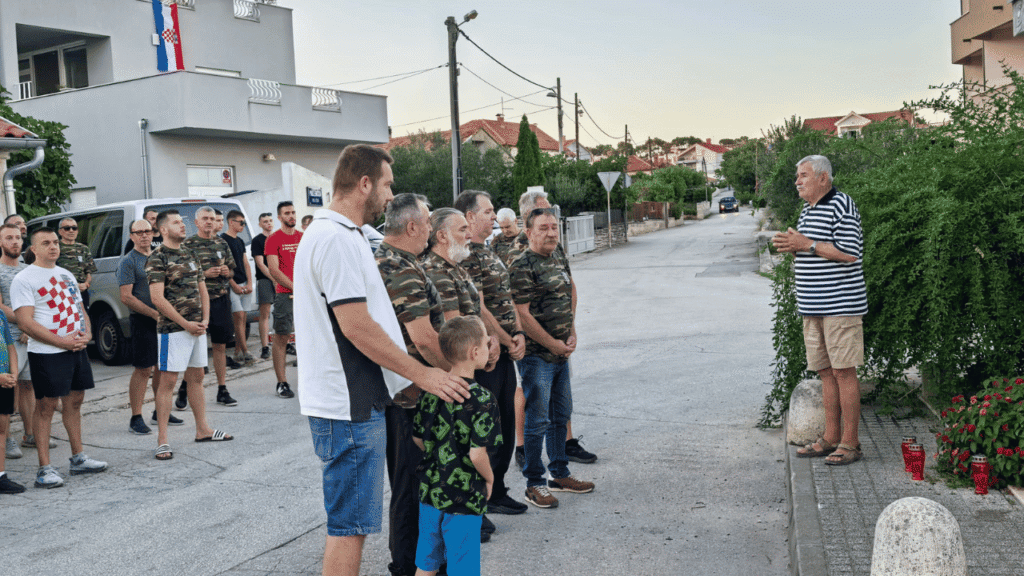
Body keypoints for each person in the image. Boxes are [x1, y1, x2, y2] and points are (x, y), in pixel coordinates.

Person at [293, 144, 469, 576]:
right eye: (388, 185)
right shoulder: (333, 238)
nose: (392, 196)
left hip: (359, 401)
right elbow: (355, 326)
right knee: (349, 528)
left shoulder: (350, 234)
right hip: (347, 406)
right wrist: (422, 374)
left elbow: (392, 245)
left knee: (353, 525)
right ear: (365, 183)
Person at [376, 194, 454, 575]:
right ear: (412, 227)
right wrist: (452, 378)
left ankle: (415, 561)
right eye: (427, 222)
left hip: (403, 390)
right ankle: (409, 566)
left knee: (411, 485)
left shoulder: (387, 259)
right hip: (411, 396)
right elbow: (423, 336)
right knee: (413, 487)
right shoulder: (400, 266)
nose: (430, 229)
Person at [774, 155, 868, 466]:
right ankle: (830, 438)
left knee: (843, 372)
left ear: (823, 179)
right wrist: (794, 247)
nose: (797, 181)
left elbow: (850, 254)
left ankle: (850, 444)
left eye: (803, 176)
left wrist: (807, 244)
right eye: (797, 176)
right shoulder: (808, 209)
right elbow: (810, 248)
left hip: (840, 305)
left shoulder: (842, 205)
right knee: (826, 372)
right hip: (813, 306)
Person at [421, 207, 500, 541]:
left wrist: (491, 341)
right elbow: (454, 325)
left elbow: (475, 313)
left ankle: (471, 513)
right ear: (442, 235)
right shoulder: (436, 270)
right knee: (465, 444)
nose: (470, 233)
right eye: (463, 228)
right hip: (456, 372)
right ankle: (468, 512)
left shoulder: (458, 268)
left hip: (470, 358)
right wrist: (474, 354)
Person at [509, 208, 594, 508]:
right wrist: (553, 345)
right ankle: (534, 482)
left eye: (554, 227)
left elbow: (569, 291)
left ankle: (560, 473)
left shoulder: (559, 255)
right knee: (538, 419)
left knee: (562, 413)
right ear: (529, 232)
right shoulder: (522, 265)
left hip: (561, 352)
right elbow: (522, 313)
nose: (551, 233)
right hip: (537, 357)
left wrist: (571, 331)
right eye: (543, 228)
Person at [12, 228, 107, 488]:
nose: (53, 246)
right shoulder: (24, 279)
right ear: (33, 249)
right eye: (46, 243)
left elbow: (79, 309)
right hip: (47, 353)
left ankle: (78, 458)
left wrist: (86, 332)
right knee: (46, 407)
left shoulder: (65, 274)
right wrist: (62, 342)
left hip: (76, 350)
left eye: (55, 242)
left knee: (75, 401)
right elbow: (26, 323)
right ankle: (44, 469)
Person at [454, 191, 528, 516]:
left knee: (505, 422)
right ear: (469, 217)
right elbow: (478, 306)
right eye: (488, 210)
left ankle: (497, 491)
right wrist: (500, 339)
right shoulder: (467, 252)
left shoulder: (488, 249)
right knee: (485, 429)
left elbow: (505, 294)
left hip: (504, 347)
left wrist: (519, 333)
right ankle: (480, 501)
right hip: (488, 353)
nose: (495, 217)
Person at [412, 315, 501, 576]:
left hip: (430, 491)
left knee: (426, 562)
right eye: (486, 344)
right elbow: (477, 454)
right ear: (475, 352)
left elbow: (418, 438)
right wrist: (490, 479)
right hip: (464, 496)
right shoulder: (483, 399)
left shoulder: (431, 390)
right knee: (463, 567)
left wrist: (439, 457)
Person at [147, 210, 234, 461]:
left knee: (196, 377)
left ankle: (203, 429)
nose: (182, 225)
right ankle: (162, 440)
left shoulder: (190, 252)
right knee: (168, 382)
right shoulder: (157, 257)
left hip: (196, 327)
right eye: (176, 222)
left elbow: (202, 289)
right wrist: (185, 323)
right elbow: (157, 298)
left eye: (182, 221)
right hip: (173, 330)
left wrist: (204, 320)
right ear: (163, 229)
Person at [117, 220, 184, 435]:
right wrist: (154, 313)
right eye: (139, 232)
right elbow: (126, 297)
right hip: (143, 320)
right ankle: (136, 417)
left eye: (147, 231)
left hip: (164, 320)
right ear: (132, 236)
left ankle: (159, 411)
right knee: (143, 369)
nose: (144, 235)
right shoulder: (128, 262)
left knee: (162, 367)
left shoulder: (159, 255)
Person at [0, 223, 50, 460]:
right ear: (1, 242)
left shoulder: (29, 269)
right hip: (9, 338)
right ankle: (6, 438)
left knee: (29, 386)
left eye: (18, 238)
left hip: (30, 336)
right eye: (9, 238)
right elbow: (0, 306)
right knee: (9, 387)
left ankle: (30, 434)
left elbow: (38, 302)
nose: (15, 242)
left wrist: (31, 328)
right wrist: (24, 323)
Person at [181, 207, 239, 407]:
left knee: (220, 346)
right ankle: (184, 388)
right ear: (196, 222)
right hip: (196, 303)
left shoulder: (221, 243)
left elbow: (232, 270)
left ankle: (222, 389)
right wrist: (204, 274)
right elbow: (182, 275)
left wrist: (226, 271)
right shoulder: (188, 245)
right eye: (205, 218)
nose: (209, 222)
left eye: (212, 219)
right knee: (193, 348)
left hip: (221, 300)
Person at [265, 201, 301, 399]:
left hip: (306, 296)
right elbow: (274, 270)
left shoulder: (303, 237)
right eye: (287, 213)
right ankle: (282, 382)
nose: (291, 216)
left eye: (293, 212)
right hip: (284, 294)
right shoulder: (273, 239)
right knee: (281, 338)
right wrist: (296, 287)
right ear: (279, 217)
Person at [221, 210, 255, 367]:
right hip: (232, 284)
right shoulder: (223, 241)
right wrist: (233, 284)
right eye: (241, 222)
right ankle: (246, 351)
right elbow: (223, 266)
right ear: (231, 222)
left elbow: (246, 263)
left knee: (242, 319)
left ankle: (237, 352)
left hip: (244, 283)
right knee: (239, 317)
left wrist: (249, 282)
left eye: (244, 222)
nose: (243, 225)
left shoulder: (240, 241)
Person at [0, 306, 25, 494]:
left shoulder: (0, 315)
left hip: (5, 381)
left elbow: (10, 347)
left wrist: (14, 374)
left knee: (2, 428)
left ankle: (1, 476)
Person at [55, 217, 97, 309]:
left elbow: (89, 272)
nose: (71, 231)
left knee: (84, 317)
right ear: (60, 232)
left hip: (81, 292)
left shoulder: (83, 248)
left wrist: (85, 284)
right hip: (62, 292)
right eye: (67, 228)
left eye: (74, 228)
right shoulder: (55, 248)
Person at [250, 212, 274, 360]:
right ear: (260, 224)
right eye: (265, 221)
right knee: (265, 314)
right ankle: (265, 347)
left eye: (270, 221)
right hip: (265, 279)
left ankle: (286, 343)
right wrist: (274, 278)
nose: (268, 223)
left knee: (284, 313)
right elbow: (260, 263)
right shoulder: (257, 240)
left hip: (281, 280)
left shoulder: (279, 238)